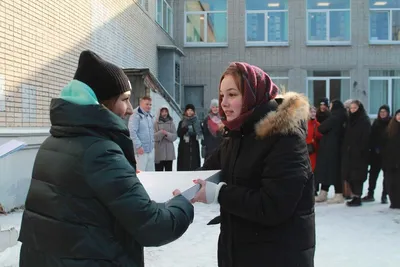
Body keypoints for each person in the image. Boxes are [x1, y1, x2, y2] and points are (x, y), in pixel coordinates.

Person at [18, 50, 194, 266]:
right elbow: (153, 227)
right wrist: (182, 203)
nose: (130, 109)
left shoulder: (53, 142)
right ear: (102, 103)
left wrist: (121, 178)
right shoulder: (100, 152)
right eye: (125, 100)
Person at [182, 62, 315, 267]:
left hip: (277, 255)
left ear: (254, 95)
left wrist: (219, 193)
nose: (224, 103)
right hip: (239, 251)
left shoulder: (285, 137)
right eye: (222, 95)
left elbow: (273, 206)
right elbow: (208, 170)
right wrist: (159, 185)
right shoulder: (237, 133)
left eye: (232, 95)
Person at [314, 100, 347, 204]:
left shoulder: (334, 117)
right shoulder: (344, 117)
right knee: (333, 170)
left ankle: (334, 194)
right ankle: (326, 192)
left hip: (330, 147)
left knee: (329, 170)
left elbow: (321, 128)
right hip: (338, 147)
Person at [341, 100, 371, 207]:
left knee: (357, 176)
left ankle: (357, 197)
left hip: (359, 154)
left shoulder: (364, 120)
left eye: (355, 108)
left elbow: (366, 138)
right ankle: (354, 196)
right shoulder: (350, 120)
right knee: (350, 175)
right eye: (351, 108)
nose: (352, 110)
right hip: (349, 153)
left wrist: (360, 150)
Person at [362, 105, 391, 203]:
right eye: (381, 112)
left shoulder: (391, 123)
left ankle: (384, 195)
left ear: (388, 113)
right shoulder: (376, 123)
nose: (382, 114)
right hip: (375, 153)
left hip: (387, 154)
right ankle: (370, 194)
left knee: (386, 176)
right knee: (373, 175)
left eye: (384, 112)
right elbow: (371, 136)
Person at [128, 96, 155, 171]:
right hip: (141, 151)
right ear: (141, 103)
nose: (149, 106)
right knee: (141, 174)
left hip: (150, 150)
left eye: (150, 104)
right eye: (147, 104)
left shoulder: (150, 115)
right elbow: (132, 132)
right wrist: (138, 146)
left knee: (150, 175)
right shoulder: (135, 115)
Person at [382, 109, 400, 209]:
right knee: (391, 182)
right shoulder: (390, 129)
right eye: (398, 115)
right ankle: (394, 201)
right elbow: (384, 144)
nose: (399, 117)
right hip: (390, 161)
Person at [177, 104, 203, 171]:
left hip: (194, 146)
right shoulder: (182, 122)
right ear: (185, 111)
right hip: (184, 147)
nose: (190, 112)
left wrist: (195, 131)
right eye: (188, 110)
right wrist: (185, 129)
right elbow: (179, 134)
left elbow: (201, 132)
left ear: (194, 111)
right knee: (184, 165)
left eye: (191, 110)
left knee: (194, 165)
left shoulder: (197, 122)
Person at [154, 106, 177, 171]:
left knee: (169, 173)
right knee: (158, 172)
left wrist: (167, 134)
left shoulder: (171, 123)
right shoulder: (156, 123)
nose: (164, 113)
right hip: (159, 152)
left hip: (169, 152)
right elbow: (153, 137)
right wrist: (161, 133)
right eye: (162, 111)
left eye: (166, 111)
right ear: (160, 112)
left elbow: (175, 136)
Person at [307, 106, 323, 172]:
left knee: (313, 168)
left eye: (314, 112)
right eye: (311, 112)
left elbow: (321, 136)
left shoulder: (317, 124)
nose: (313, 114)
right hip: (306, 149)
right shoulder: (305, 124)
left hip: (314, 149)